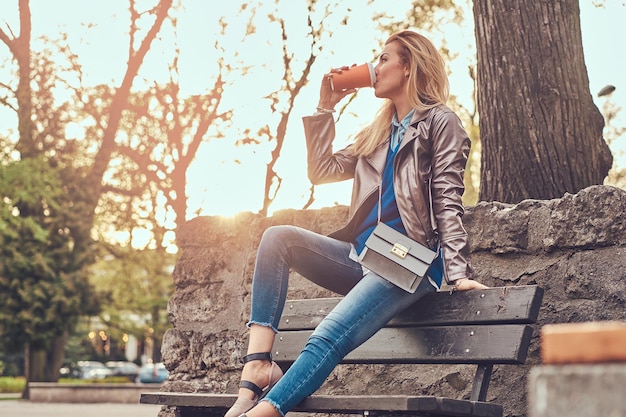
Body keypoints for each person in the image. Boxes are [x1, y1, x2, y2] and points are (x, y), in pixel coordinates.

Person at [224, 30, 488, 417]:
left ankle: (264, 412)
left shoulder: (439, 122)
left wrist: (458, 271)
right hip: (364, 256)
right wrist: (324, 107)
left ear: (409, 66)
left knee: (326, 334)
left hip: (409, 263)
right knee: (277, 238)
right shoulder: (379, 132)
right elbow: (322, 171)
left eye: (383, 59)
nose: (373, 68)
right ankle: (258, 366)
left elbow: (448, 198)